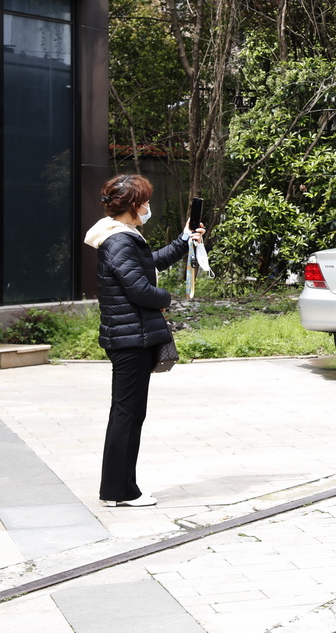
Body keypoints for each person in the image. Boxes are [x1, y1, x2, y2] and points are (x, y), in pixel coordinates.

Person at [83, 174, 204, 507]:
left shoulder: (122, 236)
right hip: (130, 339)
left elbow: (150, 264)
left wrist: (184, 241)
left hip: (129, 337)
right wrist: (167, 297)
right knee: (127, 414)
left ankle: (118, 489)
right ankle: (120, 491)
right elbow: (138, 290)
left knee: (129, 413)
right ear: (133, 207)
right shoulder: (119, 241)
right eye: (146, 203)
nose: (148, 208)